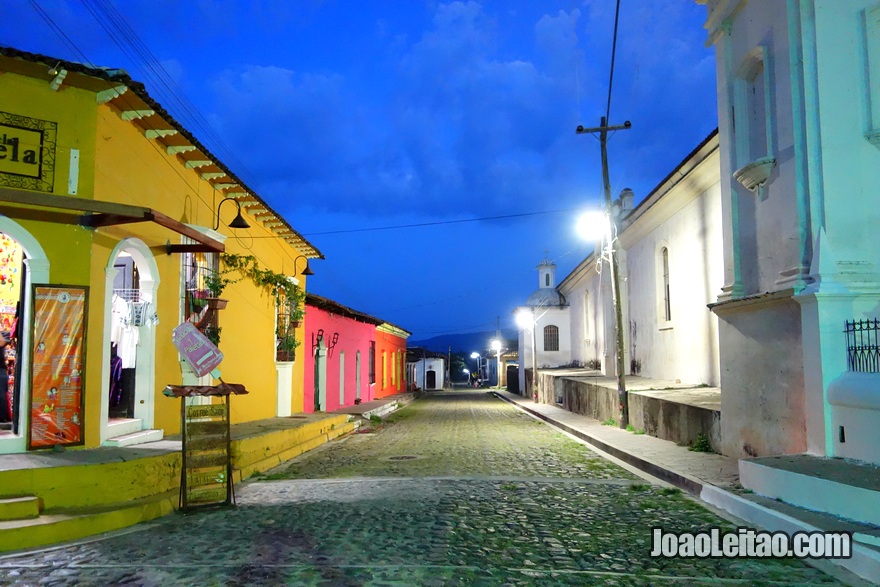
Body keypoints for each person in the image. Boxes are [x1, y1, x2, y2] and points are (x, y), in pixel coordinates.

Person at [0, 331, 9, 424]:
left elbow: (1, 342)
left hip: (0, 369)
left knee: (1, 396)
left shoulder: (3, 334)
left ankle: (1, 420)